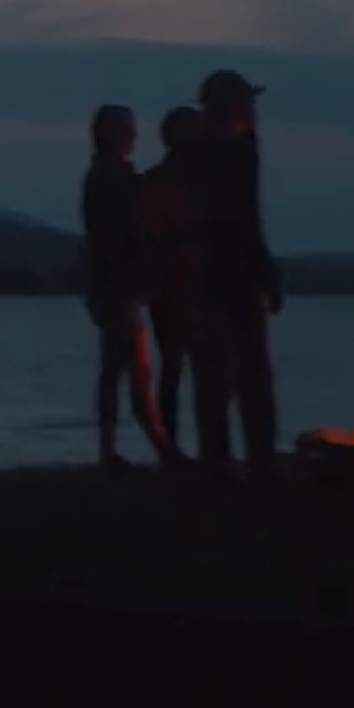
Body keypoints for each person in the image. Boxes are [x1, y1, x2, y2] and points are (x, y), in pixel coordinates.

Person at [186, 70, 284, 482]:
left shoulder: (211, 151)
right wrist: (263, 269)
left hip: (215, 272)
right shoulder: (229, 153)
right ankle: (253, 459)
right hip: (225, 272)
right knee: (244, 371)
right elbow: (243, 217)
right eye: (247, 103)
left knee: (219, 370)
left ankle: (222, 457)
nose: (253, 111)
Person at [81, 102, 175, 470]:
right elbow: (121, 235)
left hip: (114, 288)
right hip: (117, 289)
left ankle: (125, 448)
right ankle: (157, 448)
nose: (134, 136)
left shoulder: (110, 175)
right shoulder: (110, 178)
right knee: (132, 369)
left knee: (121, 369)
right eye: (127, 129)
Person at [141, 106, 211, 452]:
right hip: (175, 288)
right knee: (178, 367)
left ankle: (191, 446)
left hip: (189, 286)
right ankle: (174, 446)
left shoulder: (199, 181)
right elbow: (155, 236)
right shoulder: (163, 183)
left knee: (192, 369)